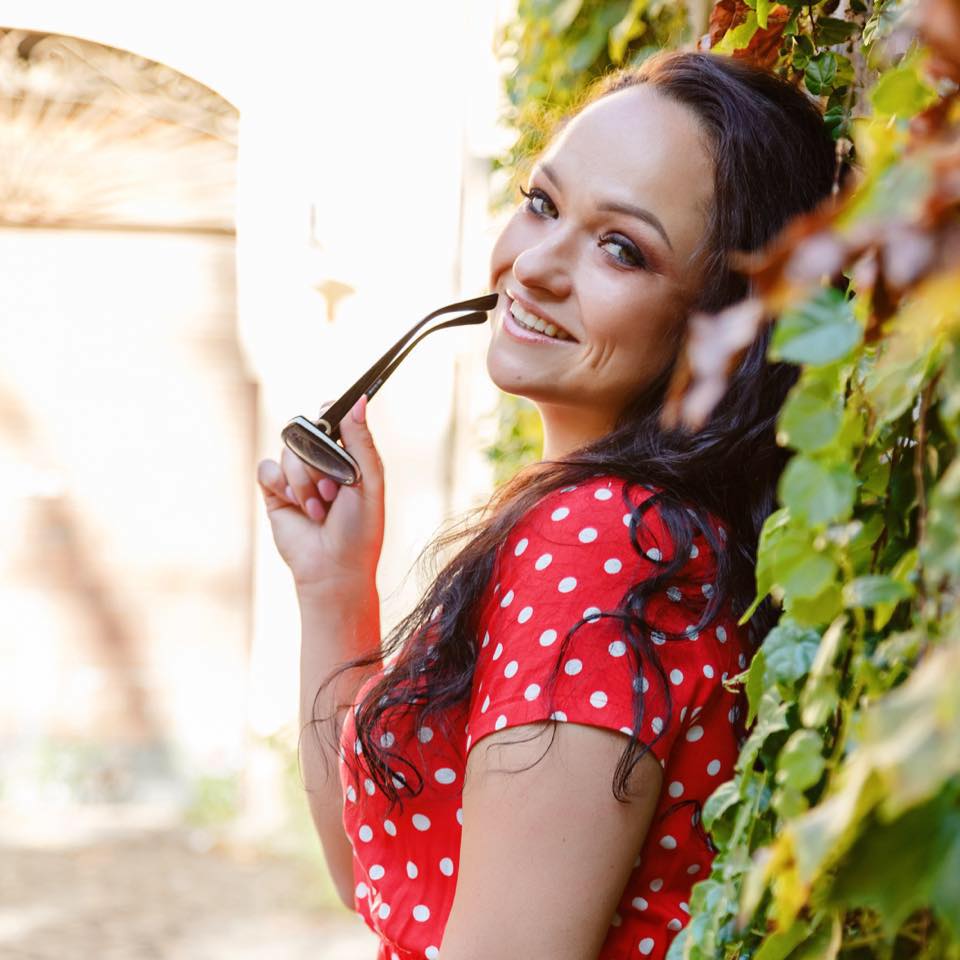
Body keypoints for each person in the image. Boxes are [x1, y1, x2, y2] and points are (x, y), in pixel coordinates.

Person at [256, 49, 842, 960]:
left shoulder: (605, 541)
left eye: (622, 248)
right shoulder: (628, 530)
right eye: (542, 203)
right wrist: (334, 589)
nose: (534, 266)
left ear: (721, 326)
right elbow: (376, 879)